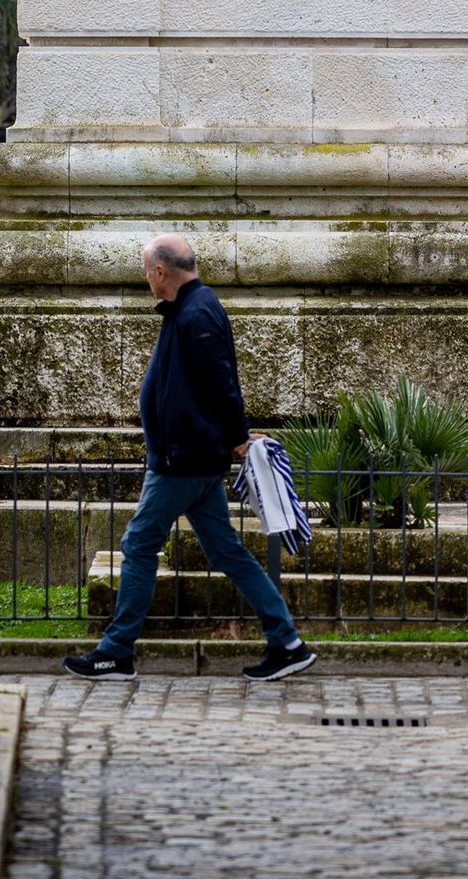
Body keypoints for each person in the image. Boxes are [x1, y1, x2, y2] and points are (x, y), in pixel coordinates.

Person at [63, 234, 316, 682]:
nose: (147, 280)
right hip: (193, 458)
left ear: (160, 272)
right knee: (227, 552)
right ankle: (287, 643)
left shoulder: (195, 313)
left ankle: (116, 652)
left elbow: (221, 383)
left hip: (181, 461)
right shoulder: (193, 307)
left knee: (139, 545)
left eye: (147, 272)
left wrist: (236, 437)